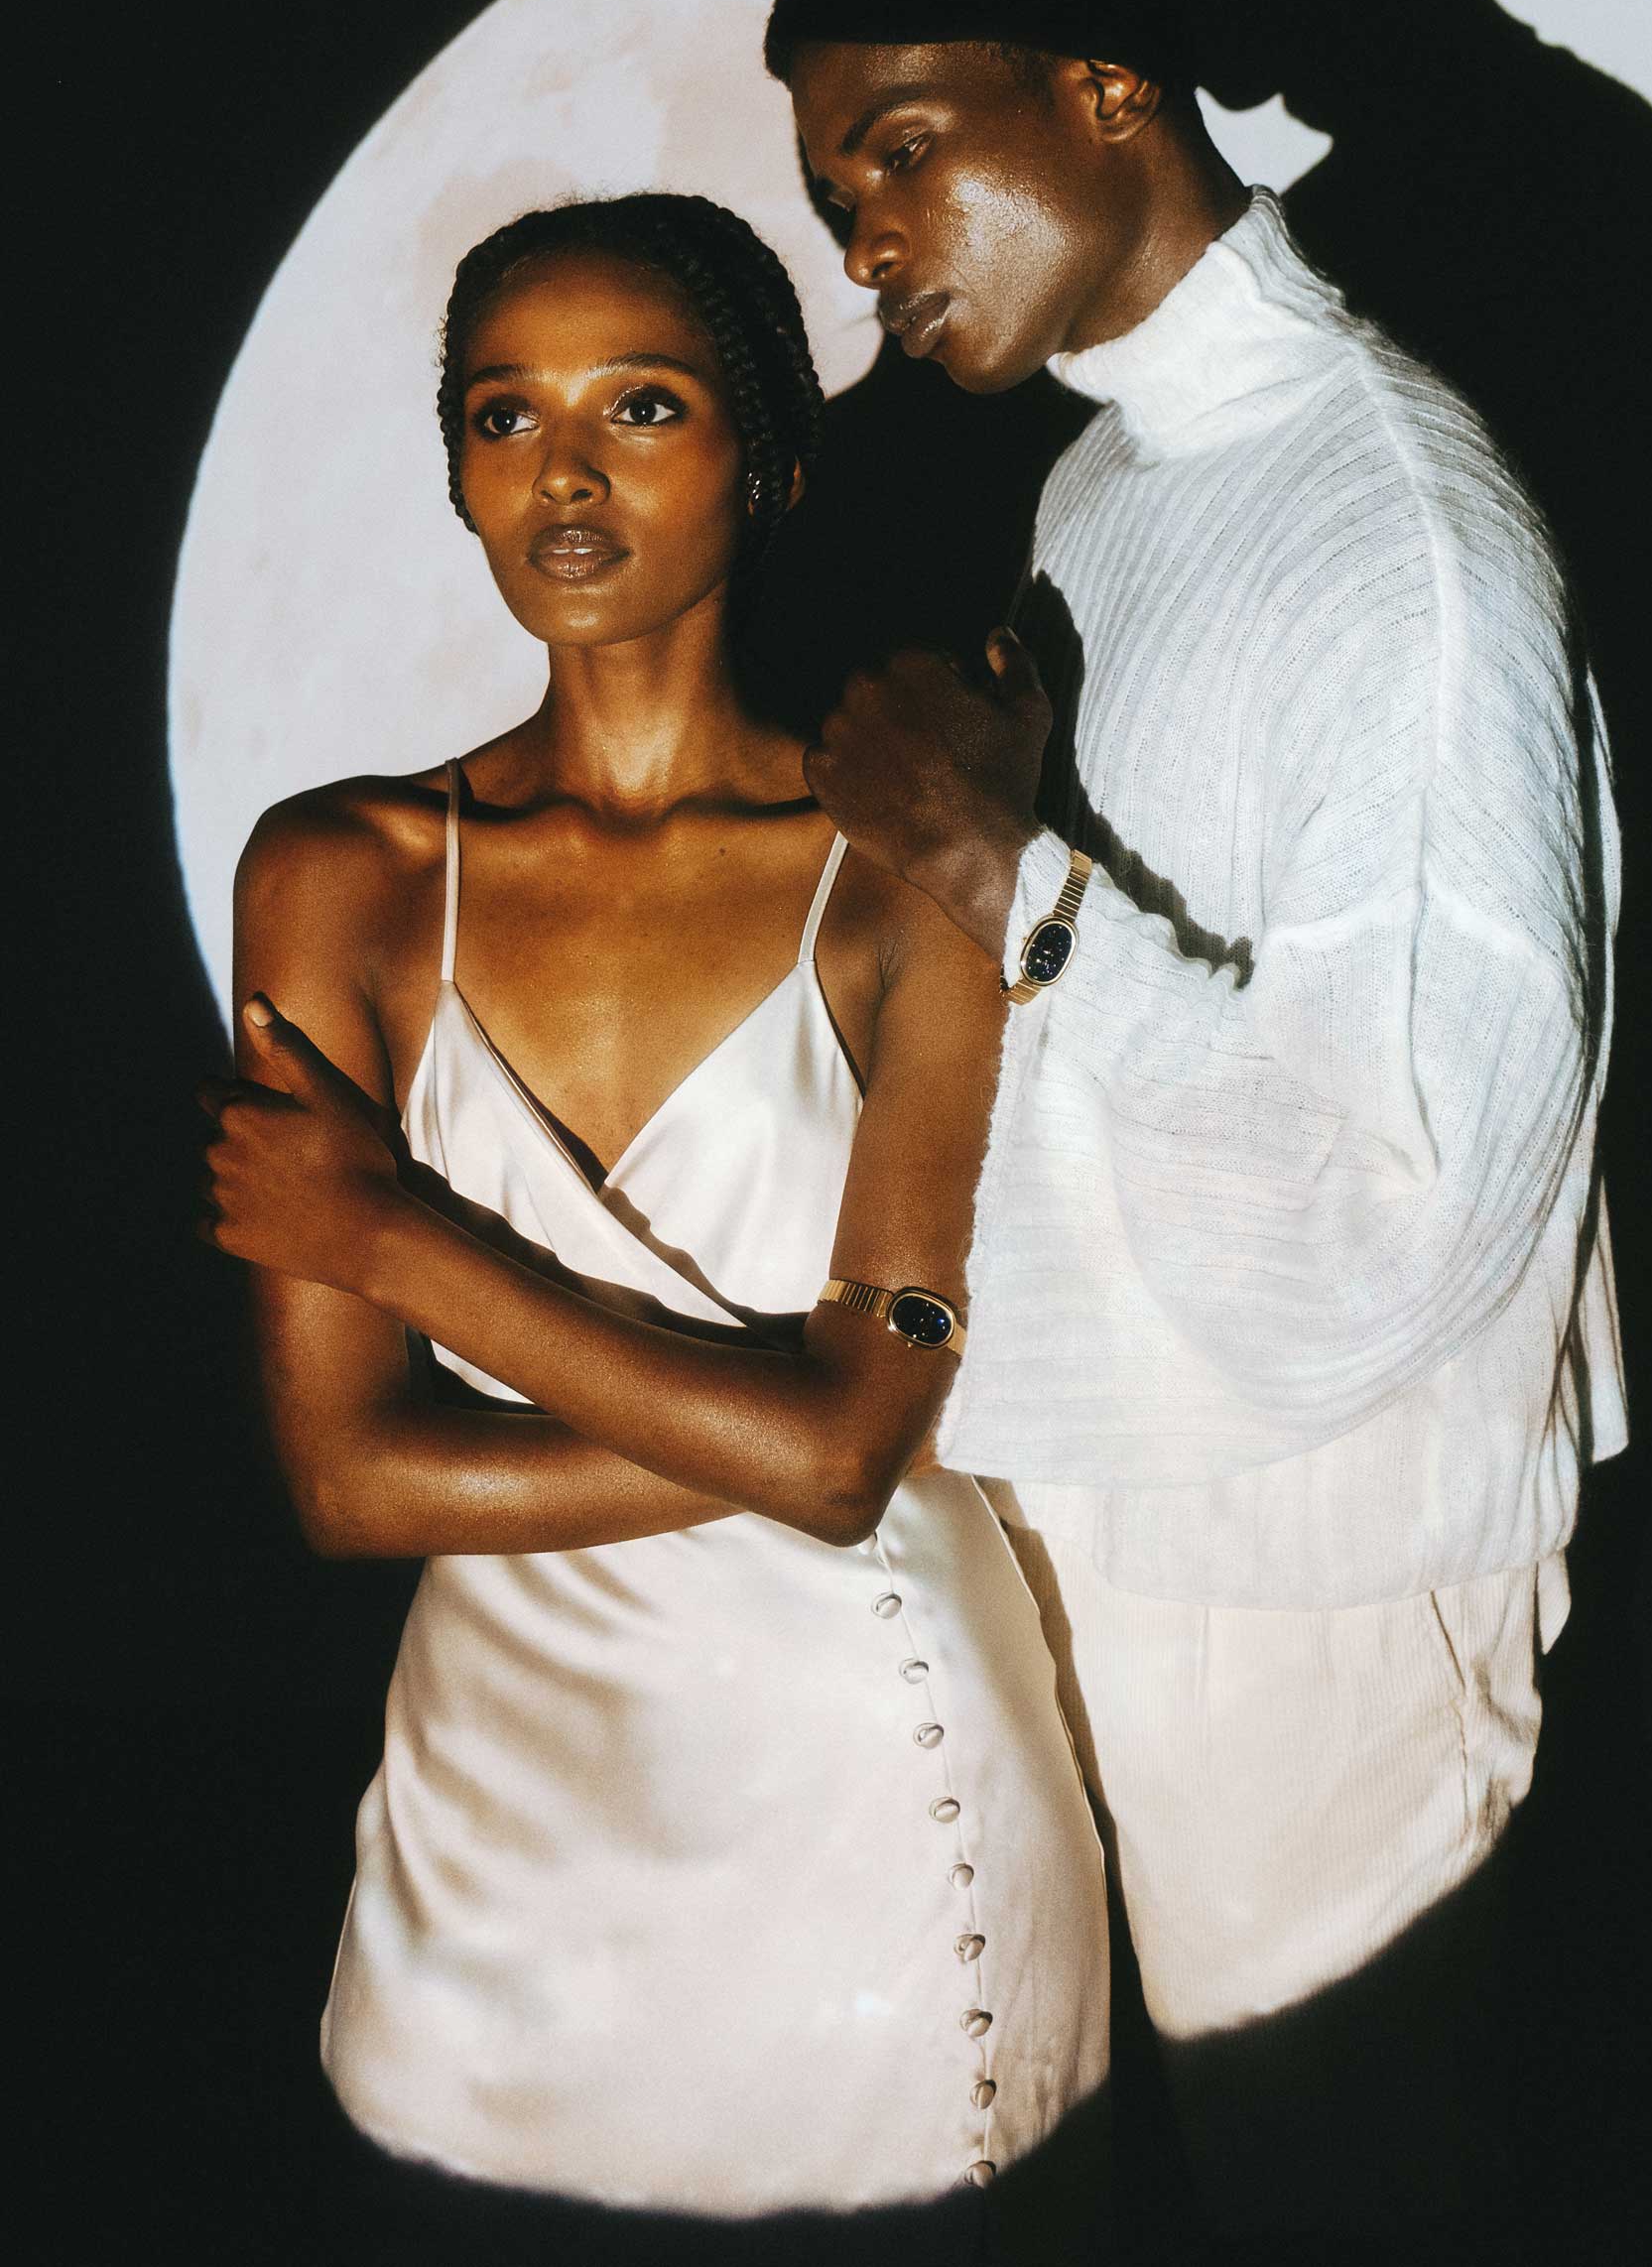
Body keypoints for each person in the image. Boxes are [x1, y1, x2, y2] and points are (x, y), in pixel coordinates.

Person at [762, 0, 1624, 2260]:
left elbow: (1421, 1178)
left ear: (1110, 91)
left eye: (901, 154)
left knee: (1339, 2192)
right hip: (1118, 1498)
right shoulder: (1109, 470)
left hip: (1312, 1561)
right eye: (834, 202)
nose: (867, 243)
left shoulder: (1398, 527)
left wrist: (1005, 875)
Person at [197, 193, 1108, 2259]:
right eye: (504, 414)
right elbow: (348, 1480)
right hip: (496, 1823)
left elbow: (849, 1472)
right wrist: (807, 1423)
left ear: (767, 461)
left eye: (643, 405)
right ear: (455, 470)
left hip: (868, 1787)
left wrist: (400, 1243)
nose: (565, 474)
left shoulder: (902, 863)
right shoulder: (340, 874)